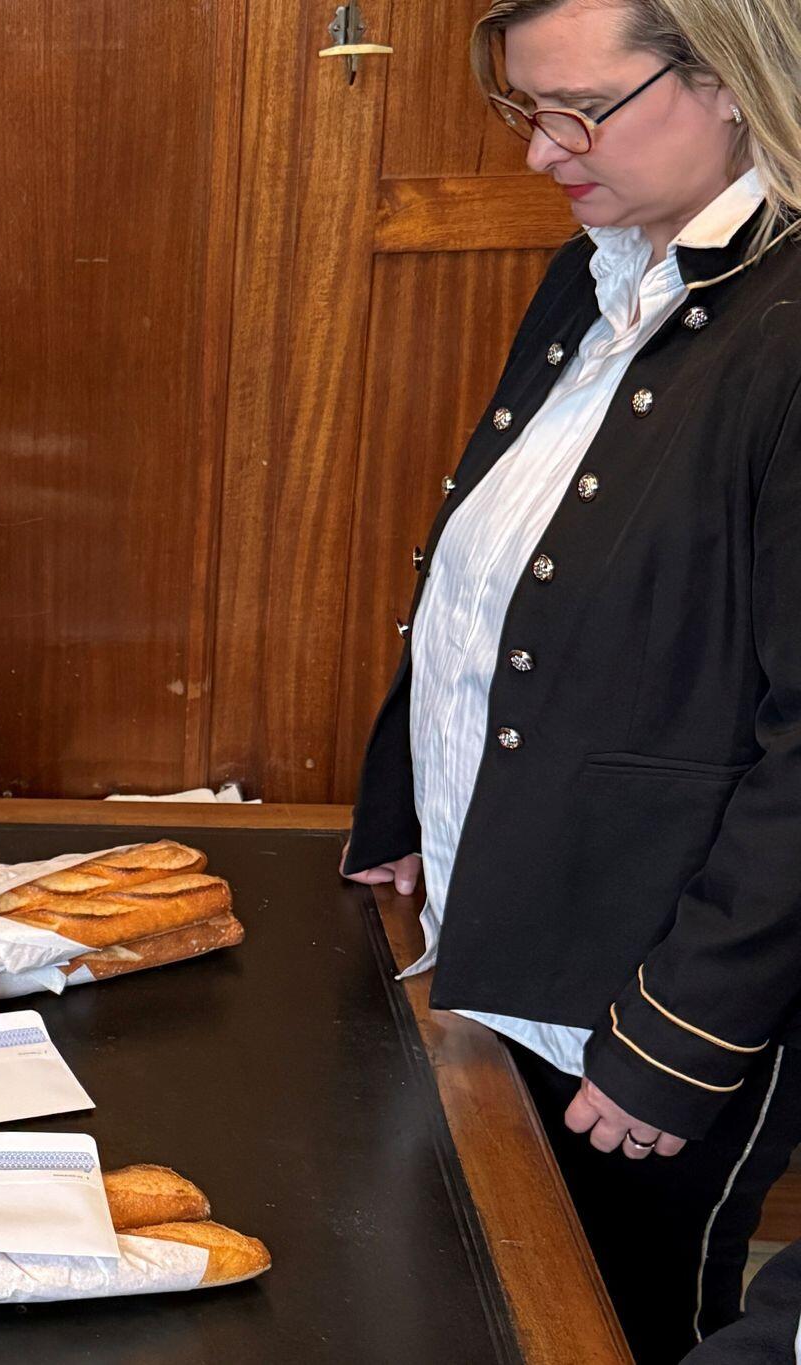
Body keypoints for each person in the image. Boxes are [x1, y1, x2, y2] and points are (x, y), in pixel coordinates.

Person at [342, 0, 801, 1358]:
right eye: (525, 109)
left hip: (655, 996)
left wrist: (686, 1029)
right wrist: (405, 801)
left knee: (618, 1319)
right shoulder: (594, 271)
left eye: (581, 112)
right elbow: (489, 572)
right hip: (511, 934)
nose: (544, 152)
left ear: (729, 79)